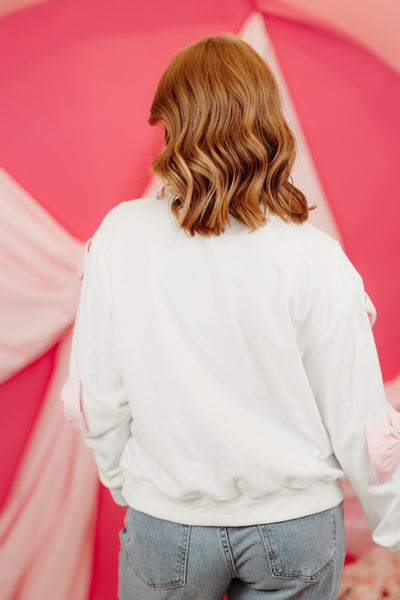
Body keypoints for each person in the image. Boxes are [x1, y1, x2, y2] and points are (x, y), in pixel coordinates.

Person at [61, 35, 400, 600]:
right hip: (298, 526)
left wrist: (139, 490)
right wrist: (392, 524)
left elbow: (97, 395)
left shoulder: (120, 237)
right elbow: (359, 418)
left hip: (164, 527)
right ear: (269, 124)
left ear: (171, 122)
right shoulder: (312, 255)